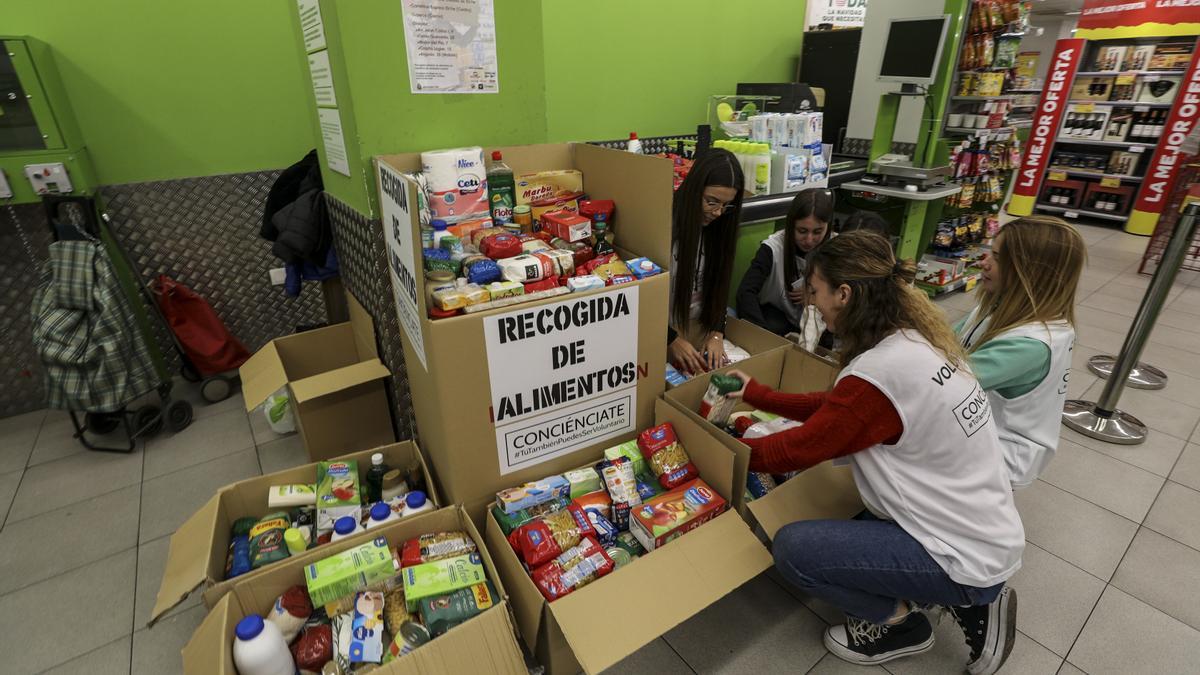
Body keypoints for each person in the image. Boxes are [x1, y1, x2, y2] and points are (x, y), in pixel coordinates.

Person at [725, 231, 1024, 674]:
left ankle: (899, 624)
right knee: (848, 513)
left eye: (817, 292)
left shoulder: (883, 370)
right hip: (982, 526)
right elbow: (840, 410)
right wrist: (760, 395)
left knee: (794, 549)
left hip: (961, 552)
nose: (813, 304)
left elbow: (799, 448)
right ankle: (960, 592)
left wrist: (720, 451)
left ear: (844, 294)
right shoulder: (912, 341)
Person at [956, 216, 1085, 488]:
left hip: (1002, 453)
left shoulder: (1030, 345)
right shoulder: (1002, 306)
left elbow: (948, 382)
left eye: (998, 258)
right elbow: (947, 338)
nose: (984, 263)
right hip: (978, 428)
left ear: (1031, 273)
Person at [669, 148, 745, 375]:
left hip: (698, 326)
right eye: (711, 202)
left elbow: (719, 287)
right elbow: (645, 297)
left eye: (726, 205)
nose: (718, 212)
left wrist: (716, 332)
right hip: (665, 330)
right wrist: (670, 339)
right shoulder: (665, 223)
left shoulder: (721, 227)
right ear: (694, 190)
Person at [735, 188, 834, 336]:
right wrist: (764, 336)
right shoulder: (773, 248)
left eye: (818, 232)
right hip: (778, 318)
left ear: (828, 226)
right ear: (791, 225)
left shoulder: (836, 249)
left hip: (821, 322)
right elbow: (745, 293)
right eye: (802, 231)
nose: (809, 240)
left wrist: (818, 294)